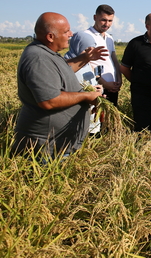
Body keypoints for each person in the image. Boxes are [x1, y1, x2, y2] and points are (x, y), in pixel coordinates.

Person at [11, 12, 104, 158]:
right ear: (50, 37)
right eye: (66, 31)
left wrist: (85, 58)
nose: (71, 34)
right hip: (46, 148)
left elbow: (62, 71)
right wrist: (87, 96)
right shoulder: (38, 58)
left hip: (57, 144)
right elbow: (49, 100)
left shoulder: (47, 53)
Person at [120, 13, 151, 132]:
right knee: (142, 129)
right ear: (147, 26)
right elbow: (124, 68)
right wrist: (139, 82)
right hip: (142, 97)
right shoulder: (136, 44)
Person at [66, 4, 122, 106]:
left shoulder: (109, 38)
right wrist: (105, 83)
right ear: (95, 18)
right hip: (97, 87)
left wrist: (119, 80)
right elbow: (85, 64)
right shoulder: (86, 36)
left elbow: (114, 60)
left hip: (113, 87)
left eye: (110, 21)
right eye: (103, 20)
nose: (107, 24)